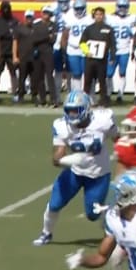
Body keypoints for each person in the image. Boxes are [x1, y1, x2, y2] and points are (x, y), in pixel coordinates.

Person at [32, 90, 118, 246]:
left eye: (75, 110)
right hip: (75, 173)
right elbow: (58, 154)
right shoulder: (62, 126)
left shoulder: (103, 120)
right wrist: (65, 160)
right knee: (54, 204)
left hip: (98, 175)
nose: (71, 114)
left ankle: (113, 214)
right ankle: (46, 233)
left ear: (86, 108)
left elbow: (118, 139)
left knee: (92, 215)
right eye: (69, 110)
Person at [80, 7, 116, 107]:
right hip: (90, 60)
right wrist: (87, 52)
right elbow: (82, 42)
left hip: (102, 60)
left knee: (102, 81)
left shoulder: (109, 29)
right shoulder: (89, 28)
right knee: (87, 81)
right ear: (94, 16)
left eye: (101, 14)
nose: (99, 16)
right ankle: (85, 102)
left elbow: (113, 44)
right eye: (97, 14)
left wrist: (112, 57)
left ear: (103, 16)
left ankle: (103, 102)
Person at [106, 0, 136, 104]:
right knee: (109, 74)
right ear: (117, 6)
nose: (123, 9)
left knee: (122, 73)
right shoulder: (110, 18)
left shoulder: (132, 18)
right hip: (112, 50)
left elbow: (135, 35)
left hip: (124, 50)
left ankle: (120, 95)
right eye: (121, 6)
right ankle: (108, 94)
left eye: (125, 7)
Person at [61, 0, 92, 92]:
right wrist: (63, 49)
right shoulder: (69, 18)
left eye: (80, 8)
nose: (79, 11)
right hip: (72, 48)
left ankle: (89, 94)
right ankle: (77, 93)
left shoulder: (89, 19)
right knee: (76, 73)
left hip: (85, 47)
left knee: (88, 73)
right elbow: (65, 35)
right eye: (77, 8)